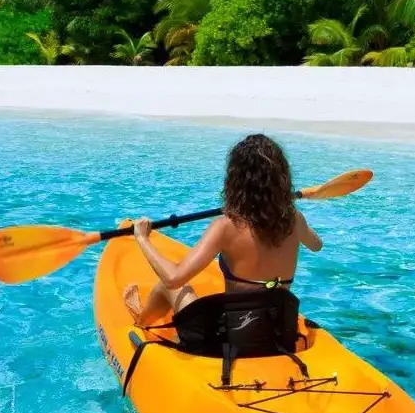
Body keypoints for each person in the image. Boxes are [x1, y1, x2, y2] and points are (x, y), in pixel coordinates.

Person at [123, 133, 323, 327]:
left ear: (235, 181)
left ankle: (142, 321)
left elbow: (174, 278)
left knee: (167, 286)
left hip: (235, 335)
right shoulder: (295, 220)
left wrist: (142, 238)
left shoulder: (226, 227)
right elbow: (317, 245)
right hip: (278, 331)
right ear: (282, 178)